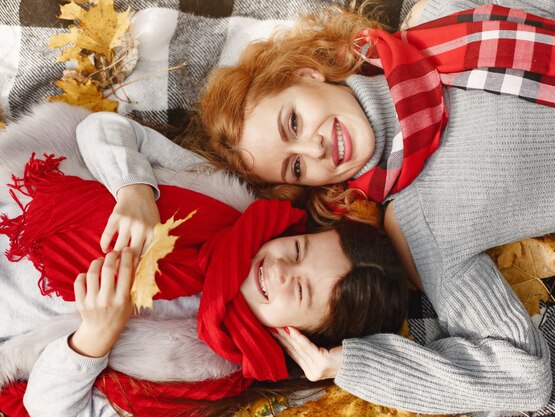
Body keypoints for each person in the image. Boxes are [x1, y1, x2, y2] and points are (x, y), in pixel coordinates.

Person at [69, 0, 555, 414]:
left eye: (292, 122)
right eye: (294, 168)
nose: (311, 148)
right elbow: (525, 379)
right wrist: (351, 366)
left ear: (308, 73)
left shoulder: (442, 19)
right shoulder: (419, 225)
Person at [0, 103, 408, 417]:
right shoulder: (222, 201)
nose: (281, 269)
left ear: (301, 337)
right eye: (298, 250)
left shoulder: (201, 376)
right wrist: (135, 188)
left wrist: (91, 340)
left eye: (300, 290)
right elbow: (100, 128)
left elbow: (52, 409)